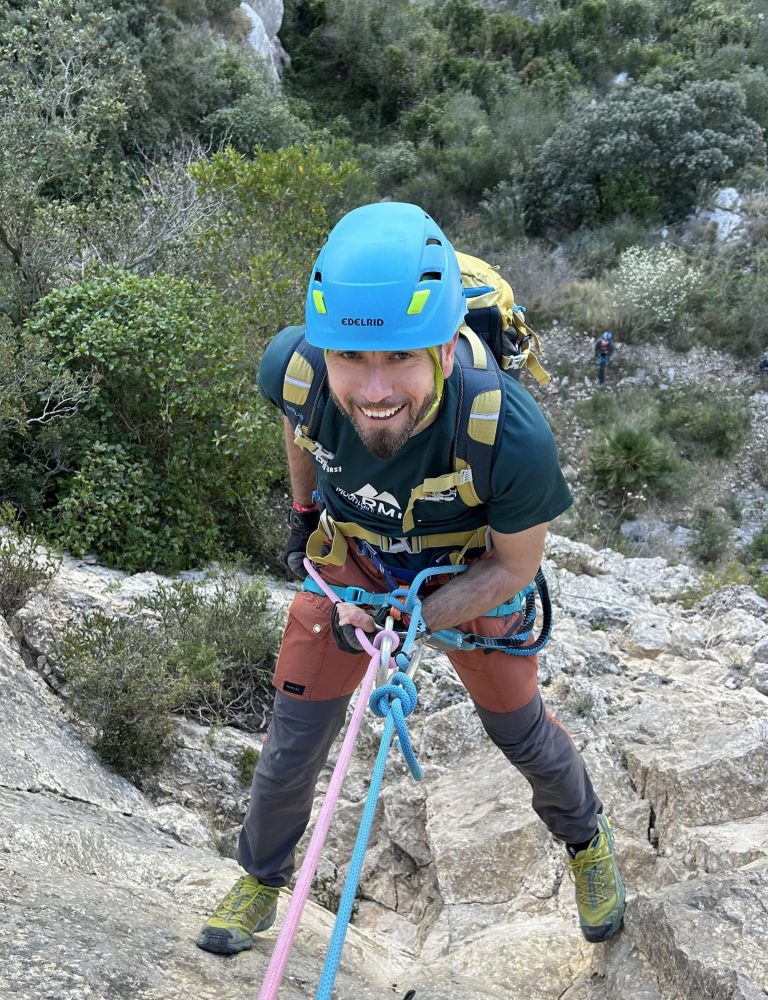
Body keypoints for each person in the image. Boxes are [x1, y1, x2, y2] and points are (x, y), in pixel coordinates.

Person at [196, 202, 625, 956]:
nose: (374, 388)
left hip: (465, 571)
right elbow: (299, 427)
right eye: (352, 359)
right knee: (293, 744)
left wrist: (416, 618)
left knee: (519, 731)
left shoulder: (509, 433)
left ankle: (587, 840)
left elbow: (515, 566)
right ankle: (261, 879)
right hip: (354, 561)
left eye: (400, 356)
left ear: (445, 347)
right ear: (323, 348)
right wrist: (303, 513)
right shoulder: (294, 370)